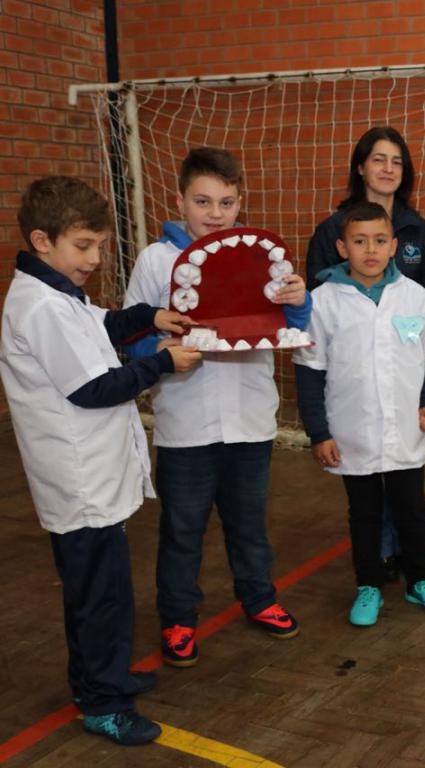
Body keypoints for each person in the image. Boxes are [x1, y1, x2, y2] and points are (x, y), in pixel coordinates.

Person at [0, 177, 202, 745]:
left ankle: (106, 675)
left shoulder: (60, 291)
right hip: (78, 479)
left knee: (106, 590)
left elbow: (99, 323)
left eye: (99, 246)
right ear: (42, 240)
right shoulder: (39, 305)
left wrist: (148, 317)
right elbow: (93, 388)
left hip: (94, 473)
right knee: (97, 596)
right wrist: (161, 364)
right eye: (83, 246)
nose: (93, 259)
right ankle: (102, 703)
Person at [123, 147, 310, 668]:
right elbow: (132, 337)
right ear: (180, 199)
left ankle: (259, 597)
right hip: (186, 424)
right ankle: (178, 617)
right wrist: (162, 349)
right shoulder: (155, 260)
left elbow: (295, 324)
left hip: (250, 420)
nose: (215, 213)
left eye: (226, 202)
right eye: (202, 201)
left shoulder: (263, 258)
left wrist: (299, 300)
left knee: (249, 522)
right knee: (182, 529)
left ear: (240, 202)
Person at [294, 201, 425, 624]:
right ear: (342, 248)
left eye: (380, 241)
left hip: (407, 428)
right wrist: (319, 432)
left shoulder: (414, 295)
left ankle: (421, 581)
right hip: (353, 431)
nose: (371, 250)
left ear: (394, 246)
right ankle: (368, 585)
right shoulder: (323, 301)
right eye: (360, 241)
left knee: (412, 510)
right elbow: (309, 372)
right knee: (364, 513)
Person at [307, 126, 425, 579]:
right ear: (360, 167)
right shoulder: (330, 234)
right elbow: (319, 307)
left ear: (392, 245)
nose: (388, 169)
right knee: (367, 498)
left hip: (405, 381)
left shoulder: (417, 230)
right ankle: (375, 570)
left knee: (408, 494)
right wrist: (318, 428)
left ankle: (414, 571)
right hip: (354, 394)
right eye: (378, 159)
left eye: (397, 161)